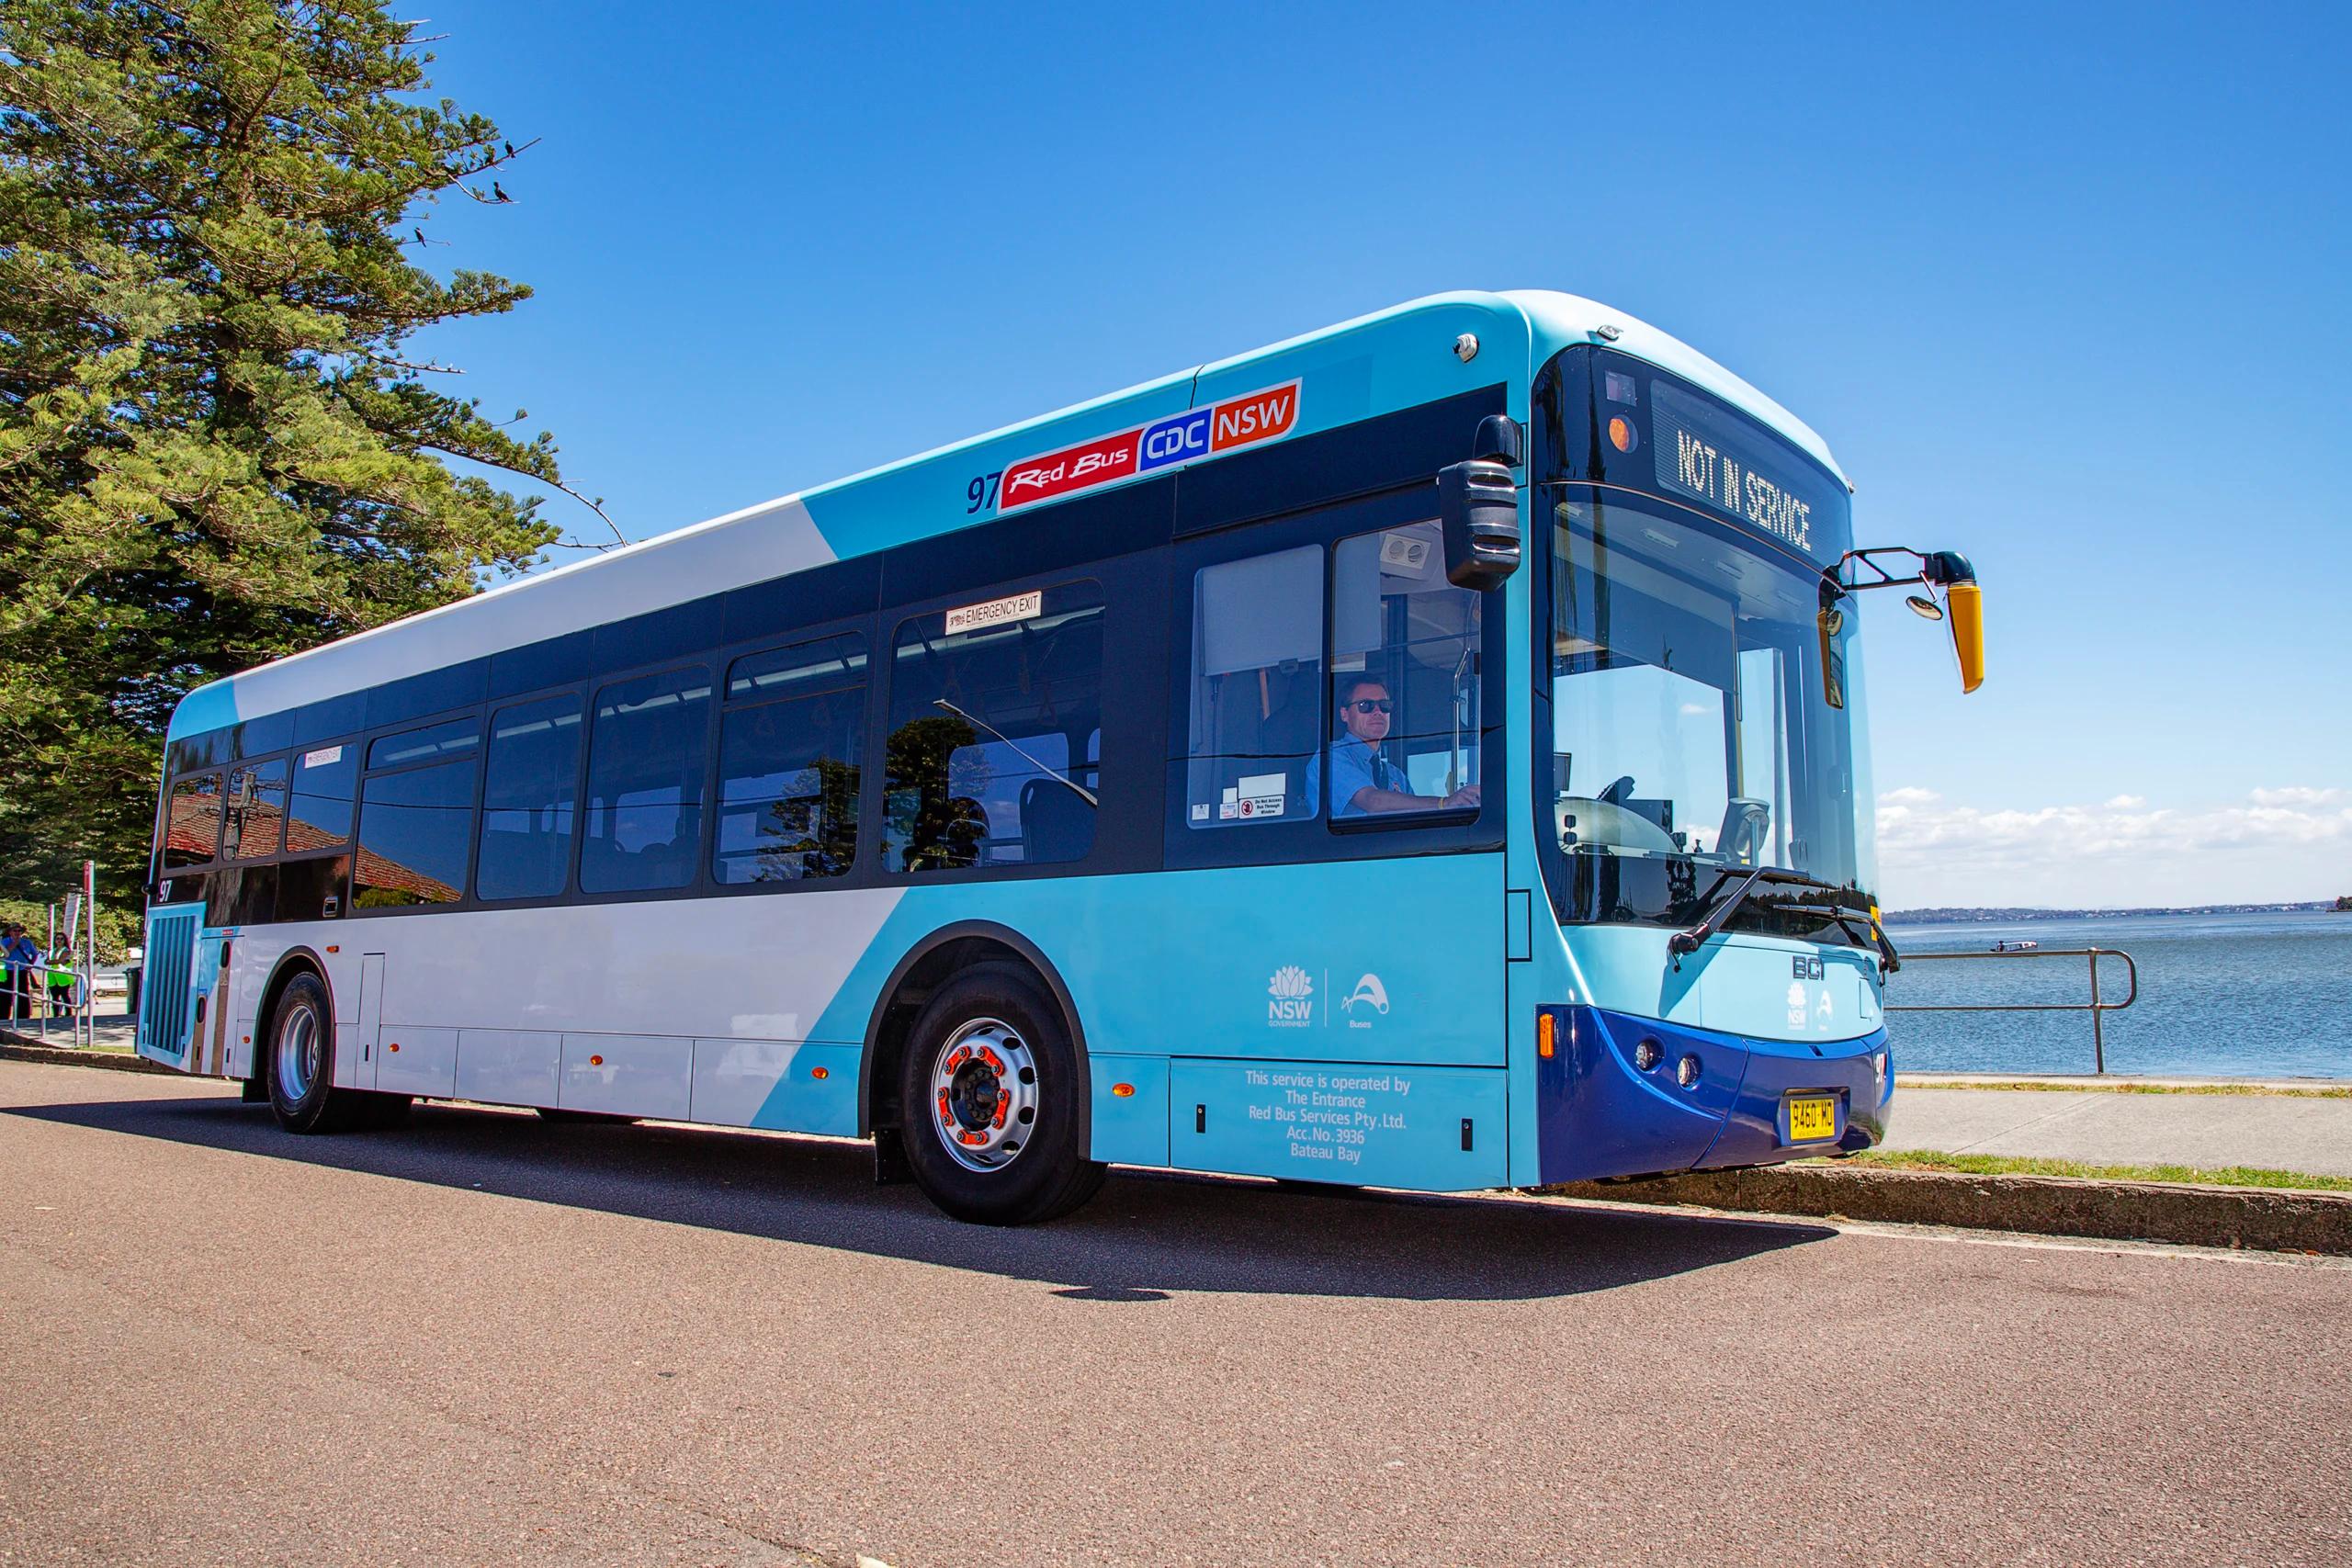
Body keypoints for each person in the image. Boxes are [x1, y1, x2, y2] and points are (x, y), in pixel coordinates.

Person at [1327, 676, 1480, 818]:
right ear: (1344, 714)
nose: (1377, 712)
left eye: (1384, 706)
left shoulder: (1396, 775)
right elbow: (1372, 802)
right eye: (1365, 705)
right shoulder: (1331, 758)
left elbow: (1415, 820)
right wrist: (1444, 803)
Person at [1, 923, 39, 1021]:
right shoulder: (4, 942)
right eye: (15, 931)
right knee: (5, 996)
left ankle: (22, 1018)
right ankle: (4, 1018)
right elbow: (6, 953)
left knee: (23, 995)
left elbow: (35, 954)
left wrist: (31, 964)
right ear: (10, 932)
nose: (17, 933)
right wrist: (15, 943)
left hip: (22, 971)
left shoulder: (27, 942)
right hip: (8, 971)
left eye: (19, 931)